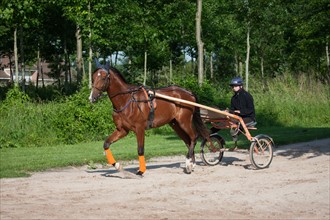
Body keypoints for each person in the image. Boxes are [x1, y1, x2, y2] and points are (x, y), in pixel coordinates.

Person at [227, 76, 256, 147]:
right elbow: (233, 109)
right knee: (226, 121)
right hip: (239, 118)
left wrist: (240, 111)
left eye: (236, 86)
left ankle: (235, 140)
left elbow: (250, 110)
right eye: (233, 86)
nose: (234, 87)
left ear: (241, 86)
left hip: (249, 118)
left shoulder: (247, 96)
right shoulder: (233, 98)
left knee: (238, 125)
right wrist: (229, 111)